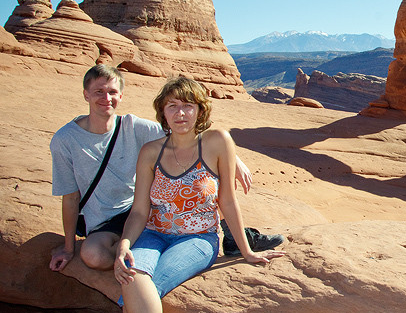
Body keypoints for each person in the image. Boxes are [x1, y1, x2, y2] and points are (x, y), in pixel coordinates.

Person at [115, 76, 286, 313]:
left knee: (137, 294)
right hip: (153, 234)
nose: (181, 113)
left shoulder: (217, 141)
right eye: (172, 106)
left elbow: (228, 202)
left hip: (198, 239)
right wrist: (125, 243)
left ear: (200, 110)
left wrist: (246, 251)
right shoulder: (151, 151)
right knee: (132, 278)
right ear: (162, 112)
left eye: (188, 106)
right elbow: (139, 210)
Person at [49, 64, 283, 274]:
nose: (106, 98)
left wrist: (234, 159)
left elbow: (187, 134)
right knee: (93, 256)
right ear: (86, 94)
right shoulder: (65, 139)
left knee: (202, 177)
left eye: (112, 92)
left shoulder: (133, 126)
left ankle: (233, 236)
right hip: (106, 220)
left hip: (144, 209)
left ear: (121, 95)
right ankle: (134, 249)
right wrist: (69, 248)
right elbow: (70, 197)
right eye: (99, 91)